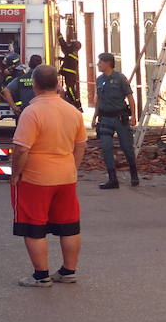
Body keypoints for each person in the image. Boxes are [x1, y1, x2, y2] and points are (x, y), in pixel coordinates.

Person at [10, 65, 87, 287]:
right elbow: (80, 145)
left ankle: (41, 275)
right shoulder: (73, 112)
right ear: (58, 84)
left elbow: (22, 148)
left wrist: (16, 174)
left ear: (34, 85)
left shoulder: (31, 112)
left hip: (37, 178)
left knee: (34, 226)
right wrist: (73, 167)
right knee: (69, 225)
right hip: (66, 175)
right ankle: (68, 270)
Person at [93, 53, 139, 189]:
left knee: (127, 148)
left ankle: (134, 174)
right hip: (105, 118)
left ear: (107, 63)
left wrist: (133, 116)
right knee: (106, 148)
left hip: (120, 119)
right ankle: (112, 179)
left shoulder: (120, 78)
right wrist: (95, 116)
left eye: (100, 62)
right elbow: (99, 99)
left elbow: (130, 97)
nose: (98, 64)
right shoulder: (99, 80)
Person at [58, 33, 83, 111]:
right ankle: (76, 105)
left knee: (70, 89)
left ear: (74, 46)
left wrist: (59, 35)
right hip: (70, 75)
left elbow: (63, 45)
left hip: (69, 76)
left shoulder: (70, 51)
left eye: (71, 44)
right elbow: (68, 61)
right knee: (70, 89)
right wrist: (61, 59)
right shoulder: (72, 54)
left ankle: (77, 105)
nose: (70, 45)